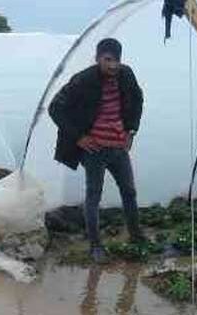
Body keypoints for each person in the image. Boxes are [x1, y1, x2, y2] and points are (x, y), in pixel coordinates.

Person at [48, 38, 145, 263]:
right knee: (94, 196)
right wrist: (79, 137)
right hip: (94, 150)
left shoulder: (126, 75)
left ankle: (136, 235)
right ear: (98, 58)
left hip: (119, 147)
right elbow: (55, 108)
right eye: (107, 60)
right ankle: (95, 246)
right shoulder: (83, 80)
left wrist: (131, 131)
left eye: (116, 61)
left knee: (129, 191)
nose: (112, 65)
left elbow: (138, 100)